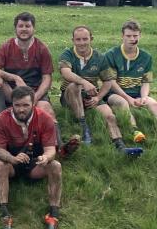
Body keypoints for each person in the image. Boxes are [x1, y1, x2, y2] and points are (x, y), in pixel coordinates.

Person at [102, 20, 157, 143]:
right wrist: (128, 98)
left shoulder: (146, 57)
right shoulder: (111, 54)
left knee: (155, 104)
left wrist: (144, 97)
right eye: (128, 36)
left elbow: (146, 82)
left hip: (138, 93)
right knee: (122, 103)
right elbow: (111, 82)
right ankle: (135, 132)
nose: (132, 39)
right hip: (116, 93)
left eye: (135, 36)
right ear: (122, 36)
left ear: (140, 36)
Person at [0, 85, 63, 229]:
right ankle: (5, 213)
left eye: (25, 105)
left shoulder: (45, 118)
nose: (21, 109)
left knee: (55, 166)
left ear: (33, 103)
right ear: (11, 104)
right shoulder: (0, 119)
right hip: (12, 163)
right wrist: (12, 158)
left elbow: (51, 149)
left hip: (35, 164)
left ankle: (53, 213)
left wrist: (46, 157)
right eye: (17, 105)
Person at [58, 25, 140, 154]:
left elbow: (108, 81)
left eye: (85, 39)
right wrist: (83, 82)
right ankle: (85, 130)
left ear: (91, 39)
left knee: (109, 115)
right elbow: (65, 73)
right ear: (73, 40)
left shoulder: (100, 57)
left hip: (91, 96)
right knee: (75, 86)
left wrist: (98, 98)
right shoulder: (67, 54)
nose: (81, 43)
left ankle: (120, 145)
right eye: (78, 40)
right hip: (70, 95)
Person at [0, 12, 63, 149]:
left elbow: (47, 78)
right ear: (15, 28)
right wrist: (15, 77)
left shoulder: (42, 48)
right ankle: (3, 118)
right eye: (20, 26)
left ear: (34, 29)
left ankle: (60, 146)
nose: (24, 29)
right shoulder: (6, 46)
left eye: (27, 26)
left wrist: (35, 98)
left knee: (46, 108)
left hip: (34, 90)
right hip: (12, 92)